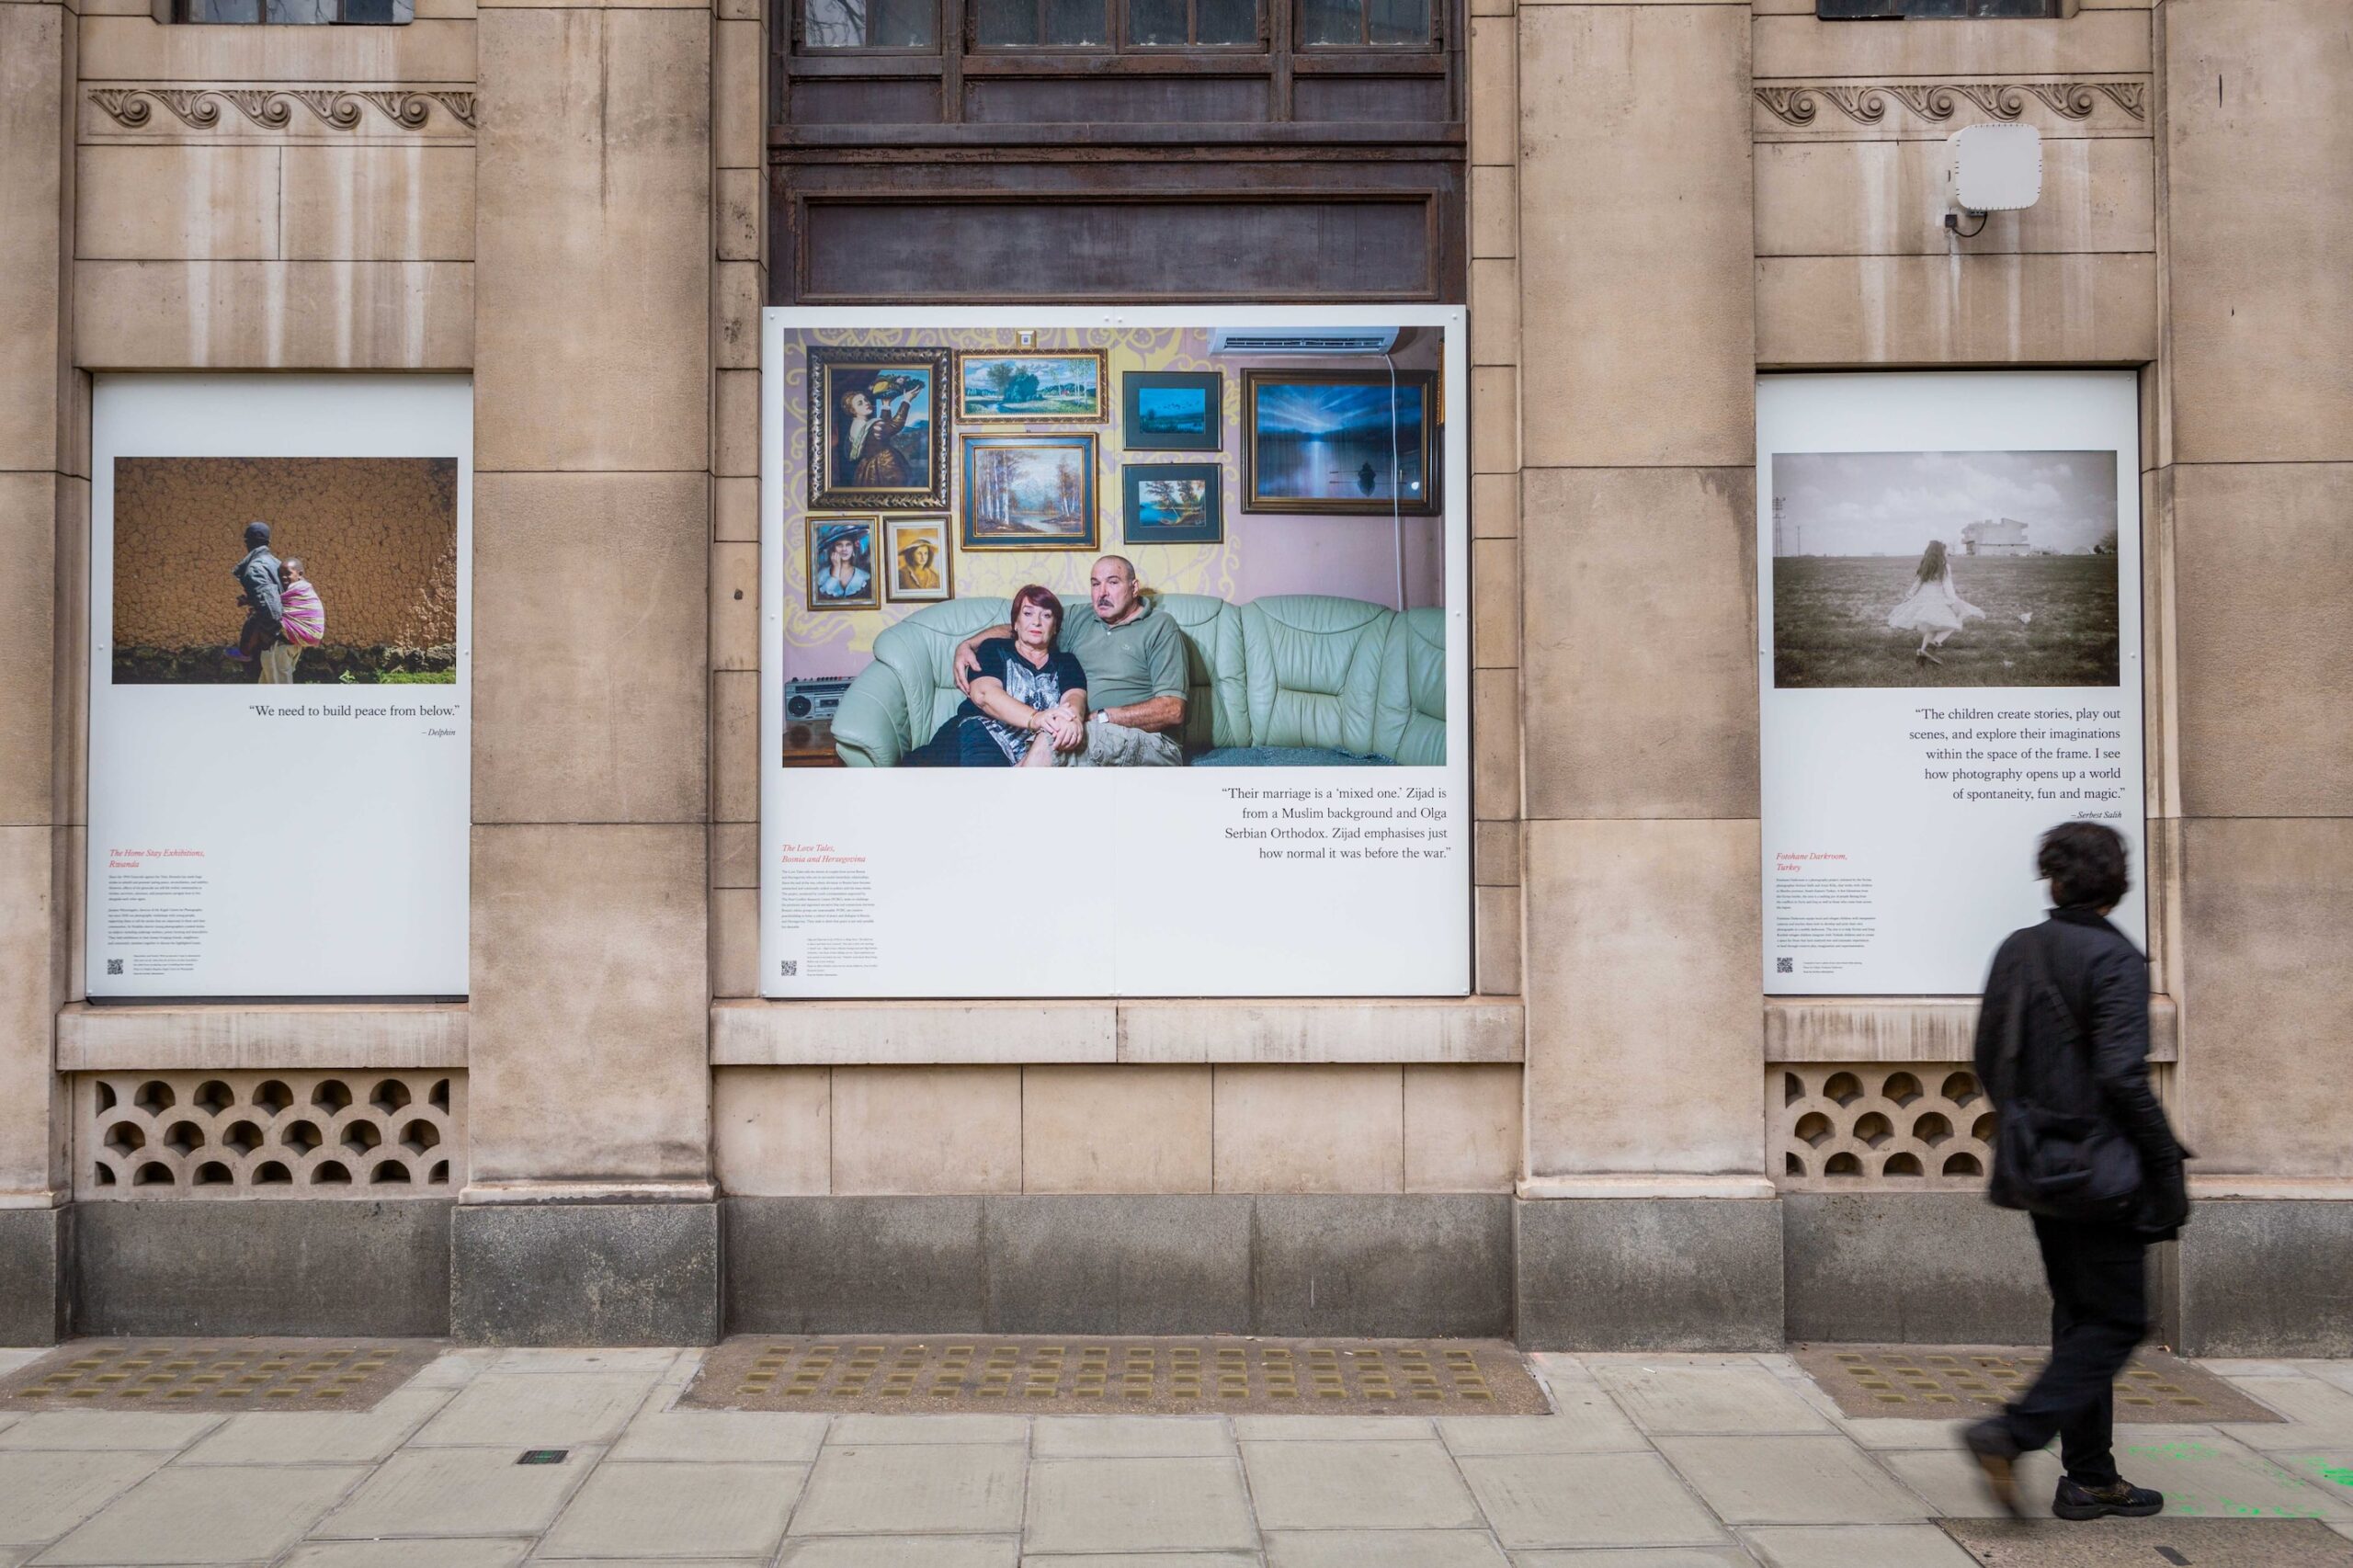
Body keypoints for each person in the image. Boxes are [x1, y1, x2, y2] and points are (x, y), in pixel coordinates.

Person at [1963, 821, 2190, 1523]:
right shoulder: (2115, 959)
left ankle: (2090, 1476)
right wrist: (2164, 1159)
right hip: (2100, 1172)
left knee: (2081, 1318)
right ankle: (2012, 1434)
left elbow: (1988, 1058)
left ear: (2054, 879)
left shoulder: (2018, 948)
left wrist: (2033, 1126)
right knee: (2118, 1321)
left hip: (2038, 1164)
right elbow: (2122, 1075)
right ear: (2116, 883)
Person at [949, 555, 1188, 767]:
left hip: (1149, 741)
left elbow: (1172, 709)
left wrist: (1100, 717)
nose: (1102, 592)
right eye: (1095, 584)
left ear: (1134, 588)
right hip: (1078, 726)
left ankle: (1008, 799)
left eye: (1113, 582)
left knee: (1052, 738)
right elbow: (1031, 626)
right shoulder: (1080, 618)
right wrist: (968, 644)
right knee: (1049, 735)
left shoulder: (1160, 626)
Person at [907, 584, 1086, 768]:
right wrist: (1036, 718)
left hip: (1029, 750)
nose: (1037, 622)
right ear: (1015, 623)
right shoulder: (993, 648)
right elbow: (984, 695)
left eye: (1046, 615)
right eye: (1028, 613)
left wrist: (1070, 719)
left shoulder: (1067, 662)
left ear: (1055, 627)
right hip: (979, 732)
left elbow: (1075, 698)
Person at [1887, 540, 1985, 666]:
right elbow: (1947, 586)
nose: (1946, 553)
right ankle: (1932, 646)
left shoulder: (1925, 565)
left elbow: (1917, 583)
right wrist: (1952, 601)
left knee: (1932, 628)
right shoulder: (1944, 567)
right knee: (1953, 624)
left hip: (1924, 597)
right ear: (1940, 552)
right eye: (1945, 550)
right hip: (1937, 598)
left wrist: (1909, 596)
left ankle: (1921, 656)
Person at [227, 521, 297, 685]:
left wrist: (265, 639)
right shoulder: (277, 564)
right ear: (268, 542)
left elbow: (272, 610)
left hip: (274, 645)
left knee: (280, 697)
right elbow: (278, 597)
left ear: (247, 542)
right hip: (286, 642)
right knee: (267, 695)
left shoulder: (255, 568)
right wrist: (251, 600)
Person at [842, 380, 918, 490]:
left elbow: (883, 431)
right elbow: (893, 426)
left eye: (865, 400)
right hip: (885, 465)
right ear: (853, 410)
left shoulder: (857, 424)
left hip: (867, 467)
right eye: (860, 403)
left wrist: (886, 405)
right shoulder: (870, 425)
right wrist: (906, 401)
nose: (866, 403)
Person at [272, 557, 325, 679]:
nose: (283, 577)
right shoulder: (305, 588)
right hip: (306, 637)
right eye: (281, 575)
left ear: (300, 574)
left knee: (264, 615)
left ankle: (246, 650)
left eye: (288, 574)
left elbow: (272, 603)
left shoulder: (298, 588)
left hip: (302, 634)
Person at [813, 530, 871, 601]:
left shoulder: (865, 577)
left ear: (853, 548)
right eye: (839, 545)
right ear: (833, 548)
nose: (844, 549)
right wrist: (836, 569)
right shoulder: (821, 576)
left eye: (848, 544)